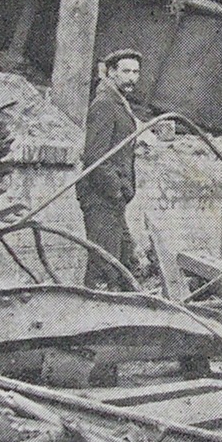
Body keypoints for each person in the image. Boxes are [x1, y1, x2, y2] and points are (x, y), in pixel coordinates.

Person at [77, 49, 144, 290]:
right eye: (126, 71)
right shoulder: (105, 103)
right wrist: (116, 190)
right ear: (111, 72)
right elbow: (95, 157)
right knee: (103, 264)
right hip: (100, 195)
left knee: (125, 261)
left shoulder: (119, 101)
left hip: (113, 197)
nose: (132, 78)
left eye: (136, 72)